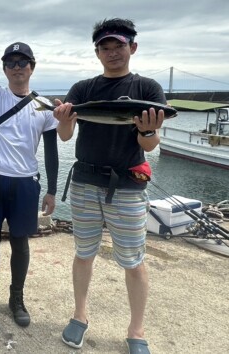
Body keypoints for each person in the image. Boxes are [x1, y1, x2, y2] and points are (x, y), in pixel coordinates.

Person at [53, 18, 165, 354]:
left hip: (128, 186)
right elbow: (65, 135)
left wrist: (146, 130)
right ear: (97, 52)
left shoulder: (148, 89)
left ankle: (136, 330)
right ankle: (79, 316)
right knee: (83, 254)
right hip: (85, 182)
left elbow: (150, 146)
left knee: (133, 260)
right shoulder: (83, 90)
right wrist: (62, 119)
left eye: (119, 45)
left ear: (133, 47)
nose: (112, 52)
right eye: (105, 46)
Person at [0, 42, 59, 327]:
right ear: (4, 68)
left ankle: (16, 298)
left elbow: (51, 151)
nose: (17, 68)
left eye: (23, 62)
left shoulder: (45, 106)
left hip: (25, 183)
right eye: (11, 63)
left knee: (20, 241)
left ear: (32, 66)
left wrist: (52, 190)